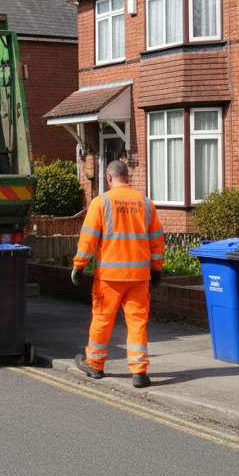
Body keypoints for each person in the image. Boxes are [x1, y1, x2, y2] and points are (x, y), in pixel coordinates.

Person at [69, 159, 164, 388]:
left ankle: (95, 365)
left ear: (109, 178)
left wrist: (79, 266)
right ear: (127, 177)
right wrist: (157, 269)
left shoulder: (101, 202)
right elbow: (157, 241)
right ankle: (139, 371)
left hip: (110, 278)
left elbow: (88, 239)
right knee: (137, 323)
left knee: (102, 320)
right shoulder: (146, 203)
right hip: (139, 277)